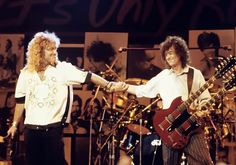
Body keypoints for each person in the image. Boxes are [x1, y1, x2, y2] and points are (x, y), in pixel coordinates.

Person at [6, 31, 128, 165]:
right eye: (50, 49)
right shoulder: (26, 73)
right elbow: (20, 102)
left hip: (52, 129)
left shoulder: (63, 69)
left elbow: (89, 76)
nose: (54, 52)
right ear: (39, 52)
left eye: (55, 49)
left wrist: (109, 85)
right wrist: (14, 125)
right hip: (30, 130)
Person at [124, 36, 214, 164]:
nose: (168, 57)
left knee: (204, 162)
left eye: (171, 53)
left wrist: (202, 108)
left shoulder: (195, 74)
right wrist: (123, 86)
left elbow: (205, 99)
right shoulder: (163, 76)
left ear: (180, 53)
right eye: (166, 54)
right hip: (171, 131)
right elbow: (142, 90)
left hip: (192, 128)